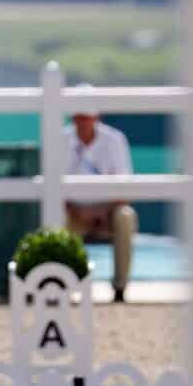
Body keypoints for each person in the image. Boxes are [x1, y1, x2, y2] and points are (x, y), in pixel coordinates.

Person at [63, 94, 138, 301]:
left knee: (125, 216)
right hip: (73, 213)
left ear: (97, 117)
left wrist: (103, 211)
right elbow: (54, 189)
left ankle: (120, 288)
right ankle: (62, 286)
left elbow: (126, 187)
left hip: (109, 212)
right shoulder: (60, 139)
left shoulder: (115, 140)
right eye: (78, 117)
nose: (82, 122)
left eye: (86, 117)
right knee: (55, 217)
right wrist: (79, 211)